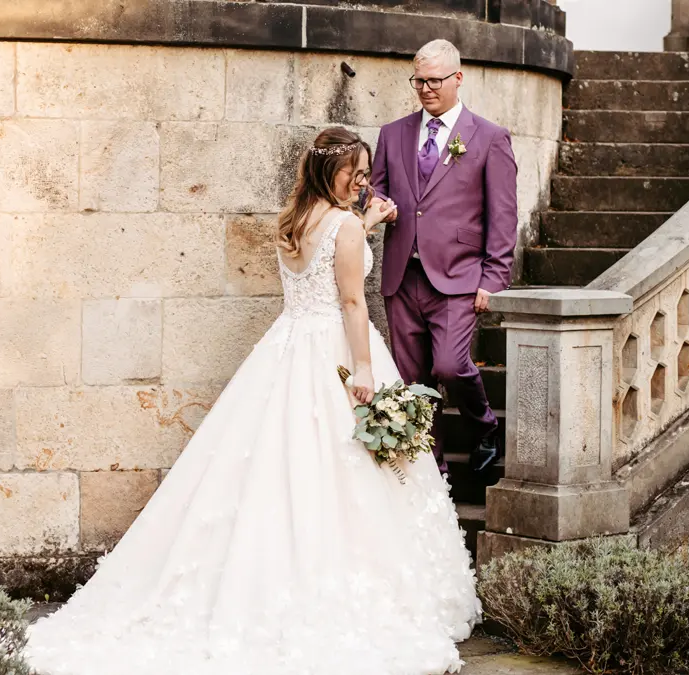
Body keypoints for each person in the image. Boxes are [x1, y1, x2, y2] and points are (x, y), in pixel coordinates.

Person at [25, 126, 481, 675]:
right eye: (354, 173)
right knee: (343, 467)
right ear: (326, 173)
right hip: (335, 349)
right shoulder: (345, 228)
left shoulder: (293, 224)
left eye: (365, 173)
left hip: (288, 347)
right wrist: (363, 370)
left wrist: (365, 221)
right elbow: (352, 302)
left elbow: (327, 252)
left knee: (270, 464)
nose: (363, 181)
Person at [371, 39, 518, 476]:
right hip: (403, 276)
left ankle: (486, 427)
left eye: (434, 80)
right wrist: (379, 203)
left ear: (458, 78)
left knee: (451, 367)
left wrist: (493, 278)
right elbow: (374, 188)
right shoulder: (392, 133)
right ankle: (433, 471)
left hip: (458, 277)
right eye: (419, 80)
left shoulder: (489, 137)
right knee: (413, 380)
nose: (425, 89)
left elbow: (503, 214)